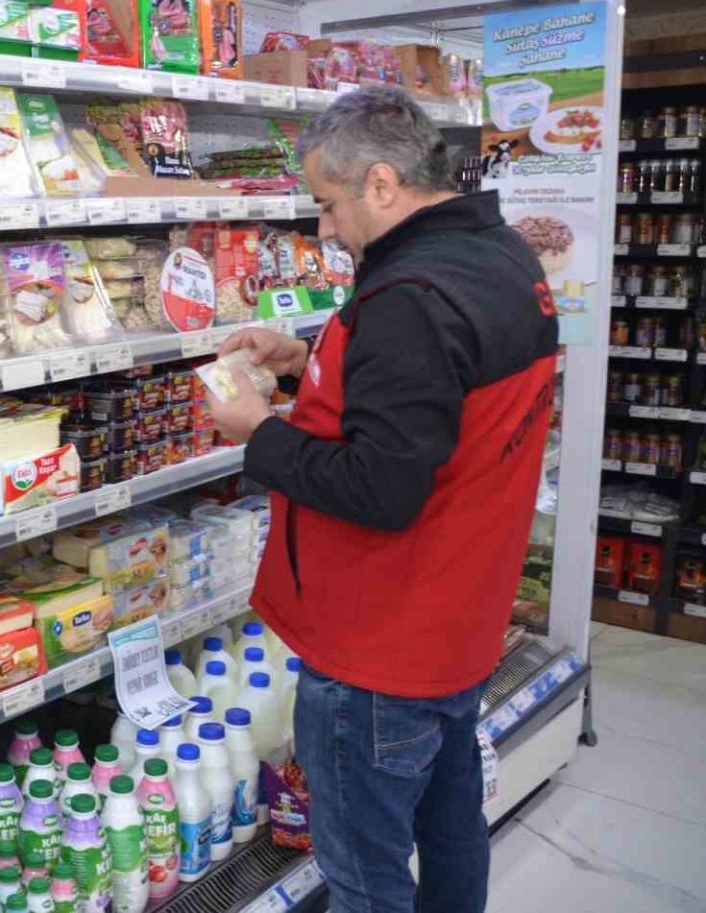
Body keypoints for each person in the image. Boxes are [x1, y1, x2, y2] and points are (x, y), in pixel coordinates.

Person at [206, 86, 558, 913]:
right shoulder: (499, 255)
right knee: (451, 828)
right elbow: (434, 400)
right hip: (458, 617)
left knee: (365, 875)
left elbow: (380, 487)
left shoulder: (409, 296)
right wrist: (309, 359)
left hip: (379, 646)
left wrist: (259, 430)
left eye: (329, 204)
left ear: (381, 183)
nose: (325, 227)